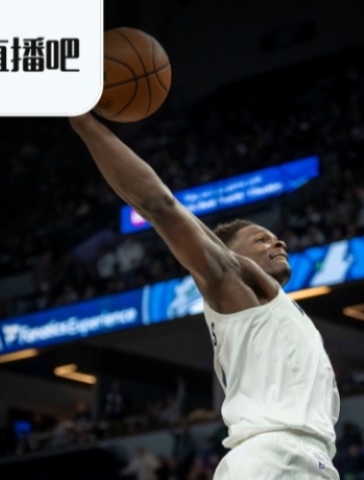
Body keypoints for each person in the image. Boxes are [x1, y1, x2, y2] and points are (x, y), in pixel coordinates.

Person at [69, 112, 341, 479]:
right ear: (229, 256)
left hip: (298, 460)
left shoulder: (272, 312)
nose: (278, 242)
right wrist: (84, 122)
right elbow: (159, 205)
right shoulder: (236, 287)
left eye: (275, 237)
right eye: (260, 239)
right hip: (277, 458)